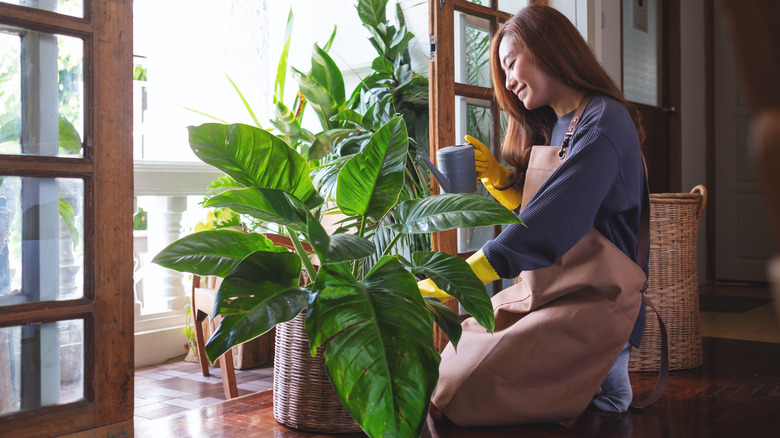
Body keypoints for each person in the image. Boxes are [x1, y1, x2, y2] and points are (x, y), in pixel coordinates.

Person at [419, 4, 649, 426]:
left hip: (595, 303)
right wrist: (505, 183)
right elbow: (546, 208)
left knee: (470, 389)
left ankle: (605, 380)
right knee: (448, 370)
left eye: (510, 64)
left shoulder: (603, 123)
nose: (507, 82)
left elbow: (553, 221)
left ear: (547, 49)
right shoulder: (559, 123)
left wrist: (457, 280)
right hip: (551, 291)